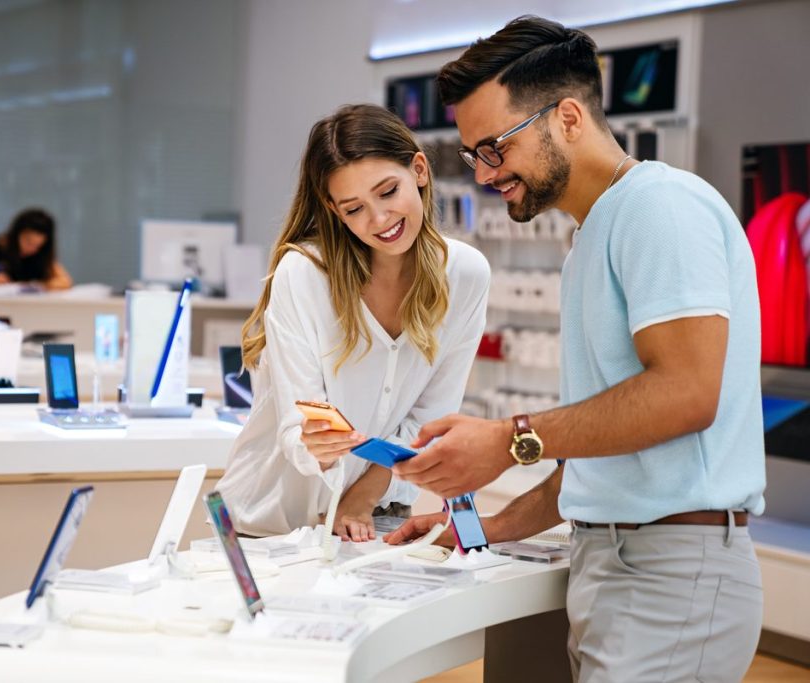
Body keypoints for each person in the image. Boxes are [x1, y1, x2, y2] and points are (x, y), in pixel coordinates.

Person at [386, 16, 765, 683]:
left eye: (495, 148)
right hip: (616, 561)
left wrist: (507, 439)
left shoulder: (660, 207)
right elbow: (600, 455)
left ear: (567, 116)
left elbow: (686, 392)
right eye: (474, 154)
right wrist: (485, 527)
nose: (483, 175)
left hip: (673, 566)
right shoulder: (592, 237)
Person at [215, 104, 490, 540]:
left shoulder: (466, 275)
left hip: (377, 517)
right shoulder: (304, 273)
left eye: (387, 192)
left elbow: (432, 418)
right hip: (271, 525)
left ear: (419, 170)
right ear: (333, 209)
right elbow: (296, 430)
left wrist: (363, 495)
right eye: (354, 208)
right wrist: (318, 445)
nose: (379, 220)